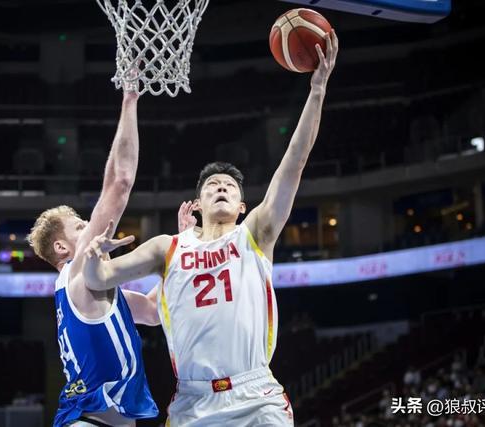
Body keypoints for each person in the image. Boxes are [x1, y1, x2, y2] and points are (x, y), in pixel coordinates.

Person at [77, 31, 338, 425]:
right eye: (213, 185)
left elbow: (295, 160)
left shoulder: (255, 234)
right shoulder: (167, 247)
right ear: (197, 204)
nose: (221, 187)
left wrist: (317, 90)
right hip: (193, 402)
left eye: (230, 186)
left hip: (255, 395)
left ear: (242, 206)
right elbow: (99, 280)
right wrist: (94, 257)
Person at [27, 86, 160, 427]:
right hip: (91, 421)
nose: (91, 228)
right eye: (80, 227)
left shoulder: (90, 290)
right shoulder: (76, 273)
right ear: (62, 248)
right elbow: (120, 183)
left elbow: (153, 312)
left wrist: (178, 253)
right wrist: (130, 100)